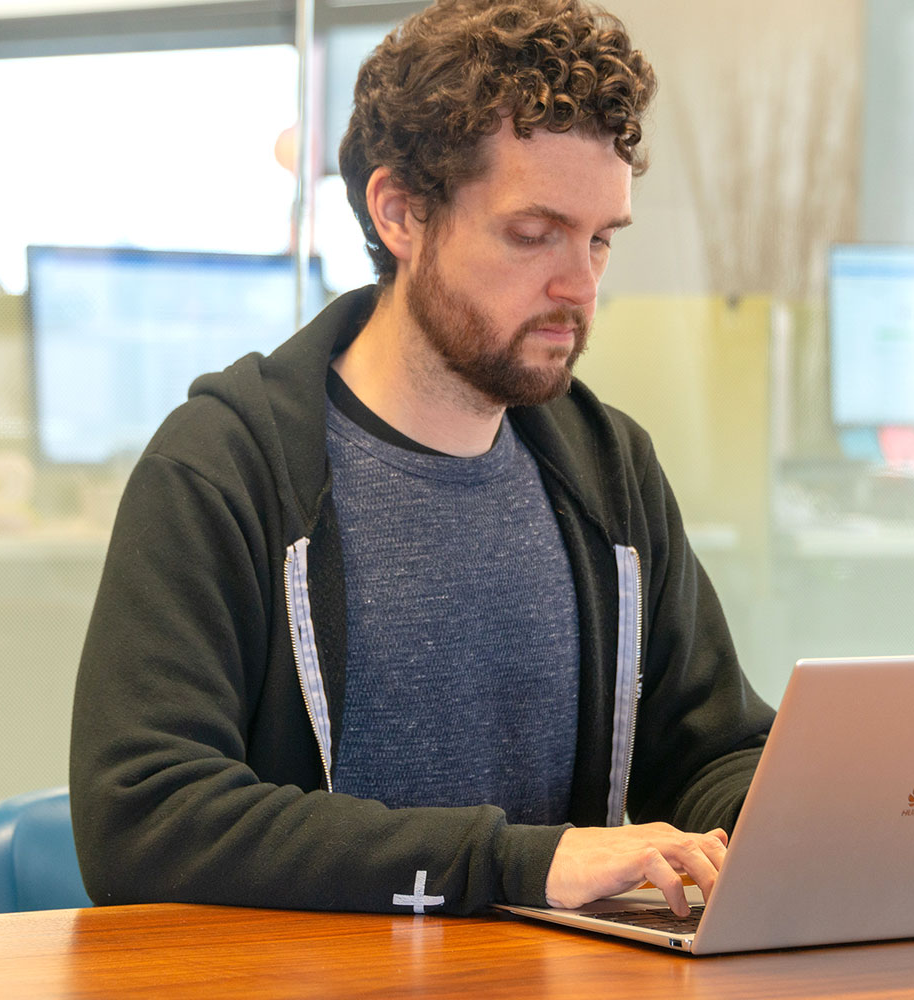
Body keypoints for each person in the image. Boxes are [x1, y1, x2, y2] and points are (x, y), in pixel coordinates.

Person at [70, 0, 774, 918]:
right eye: (534, 234)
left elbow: (711, 752)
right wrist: (519, 864)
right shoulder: (227, 469)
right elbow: (143, 821)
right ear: (400, 212)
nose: (580, 285)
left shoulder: (609, 469)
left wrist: (792, 822)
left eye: (600, 239)